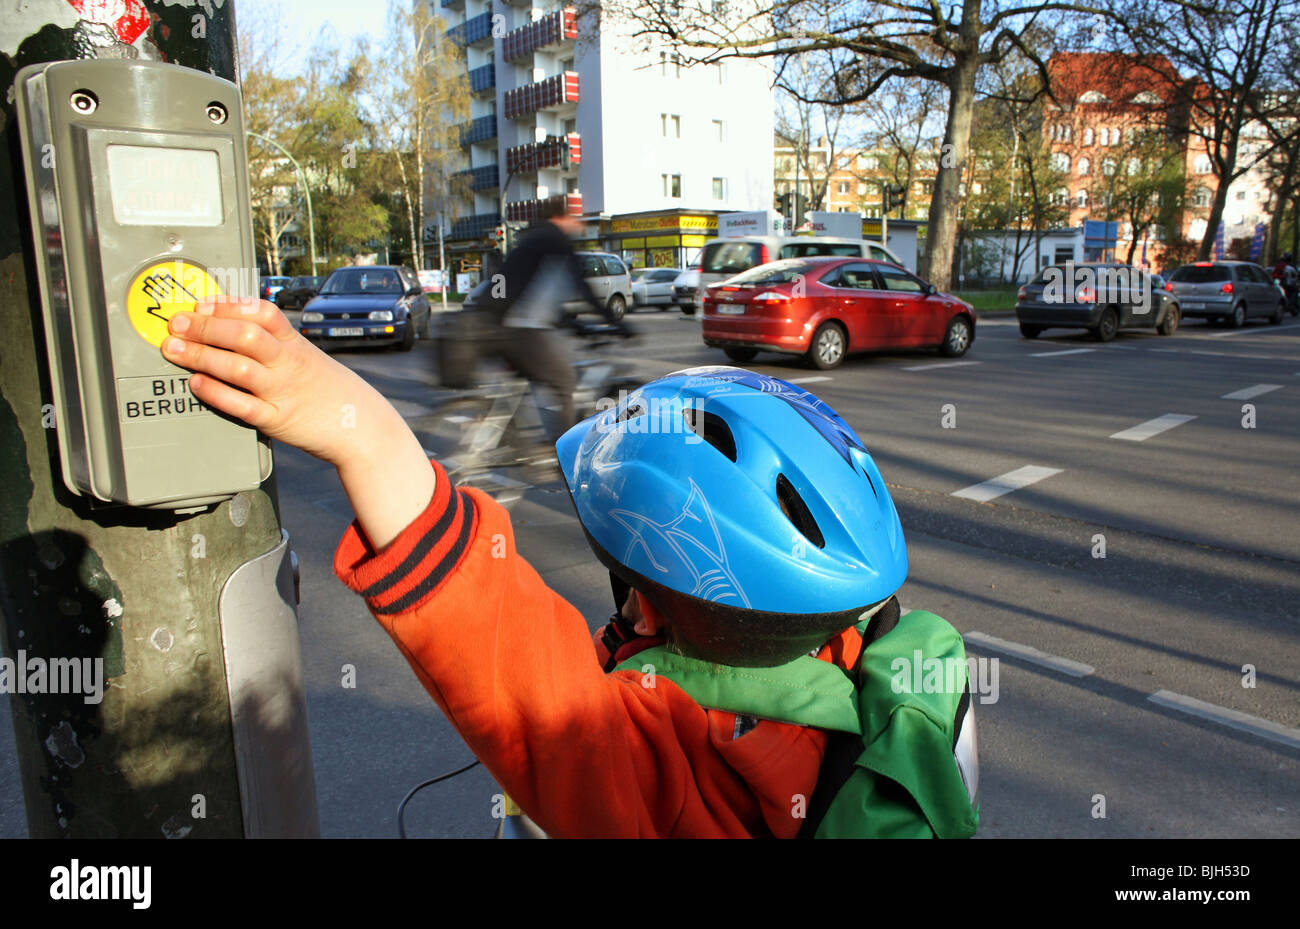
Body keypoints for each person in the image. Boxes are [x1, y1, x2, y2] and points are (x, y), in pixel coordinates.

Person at [159, 300, 961, 838]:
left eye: (633, 592)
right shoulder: (865, 665)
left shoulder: (668, 770)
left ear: (663, 608)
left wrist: (361, 429)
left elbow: (516, 666)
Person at [481, 202, 630, 432]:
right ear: (559, 217)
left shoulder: (530, 240)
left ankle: (521, 441)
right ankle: (564, 455)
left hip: (504, 327)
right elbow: (582, 286)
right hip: (525, 332)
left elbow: (538, 296)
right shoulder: (555, 239)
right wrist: (614, 321)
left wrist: (574, 324)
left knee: (539, 382)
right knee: (565, 382)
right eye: (572, 218)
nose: (575, 223)